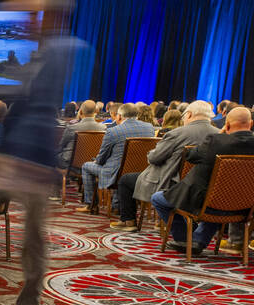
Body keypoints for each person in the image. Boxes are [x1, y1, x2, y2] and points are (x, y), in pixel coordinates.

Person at [0, 0, 85, 305]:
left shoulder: (61, 49)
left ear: (51, 16)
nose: (26, 22)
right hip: (19, 153)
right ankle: (24, 297)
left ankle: (28, 303)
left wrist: (20, 155)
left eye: (32, 15)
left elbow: (39, 109)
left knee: (29, 234)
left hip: (31, 157)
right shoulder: (43, 53)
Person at [152, 106, 254, 252]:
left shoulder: (216, 141)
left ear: (227, 125)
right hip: (244, 206)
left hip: (207, 203)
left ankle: (185, 240)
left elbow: (191, 156)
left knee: (157, 199)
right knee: (218, 197)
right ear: (251, 124)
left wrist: (220, 134)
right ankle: (198, 240)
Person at [112, 100, 217, 231]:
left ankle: (128, 221)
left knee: (125, 180)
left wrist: (150, 152)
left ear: (189, 114)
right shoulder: (220, 135)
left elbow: (155, 158)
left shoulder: (177, 134)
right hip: (207, 187)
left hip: (171, 184)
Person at [76, 102, 156, 214]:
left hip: (116, 173)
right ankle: (116, 206)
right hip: (139, 172)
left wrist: (96, 160)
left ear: (119, 116)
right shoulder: (149, 128)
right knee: (122, 166)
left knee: (86, 166)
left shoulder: (113, 131)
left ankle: (91, 205)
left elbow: (101, 158)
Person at [57, 99, 105, 168]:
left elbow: (61, 146)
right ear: (95, 112)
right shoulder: (103, 128)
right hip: (92, 164)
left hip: (69, 163)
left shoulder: (72, 128)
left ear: (81, 111)